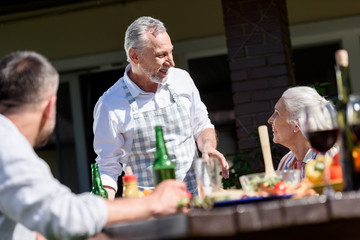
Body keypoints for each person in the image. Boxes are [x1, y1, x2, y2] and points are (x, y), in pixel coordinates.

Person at [0, 51, 188, 240]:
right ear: (50, 107)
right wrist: (154, 202)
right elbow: (65, 217)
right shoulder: (6, 144)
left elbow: (32, 218)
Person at [93, 16, 229, 199]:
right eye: (161, 55)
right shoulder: (110, 104)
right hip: (148, 209)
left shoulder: (182, 80)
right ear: (135, 56)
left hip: (197, 198)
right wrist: (103, 210)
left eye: (170, 52)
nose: (171, 62)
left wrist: (208, 147)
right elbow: (108, 166)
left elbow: (201, 124)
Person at [267, 86, 338, 179]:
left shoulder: (330, 158)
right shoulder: (285, 162)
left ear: (297, 124)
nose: (270, 120)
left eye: (277, 113)